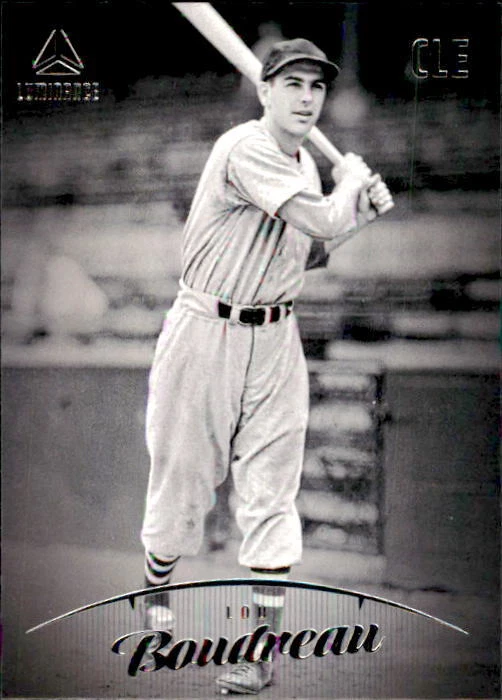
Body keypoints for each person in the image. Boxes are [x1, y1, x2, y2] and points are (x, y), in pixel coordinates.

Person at [140, 37, 392, 695]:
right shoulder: (244, 148)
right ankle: (156, 605)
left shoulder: (303, 163)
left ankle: (260, 653)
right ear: (265, 91)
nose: (307, 98)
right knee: (184, 486)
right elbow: (320, 216)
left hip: (277, 336)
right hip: (206, 330)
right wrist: (349, 187)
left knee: (272, 496)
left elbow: (310, 250)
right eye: (293, 84)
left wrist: (358, 216)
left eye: (317, 86)